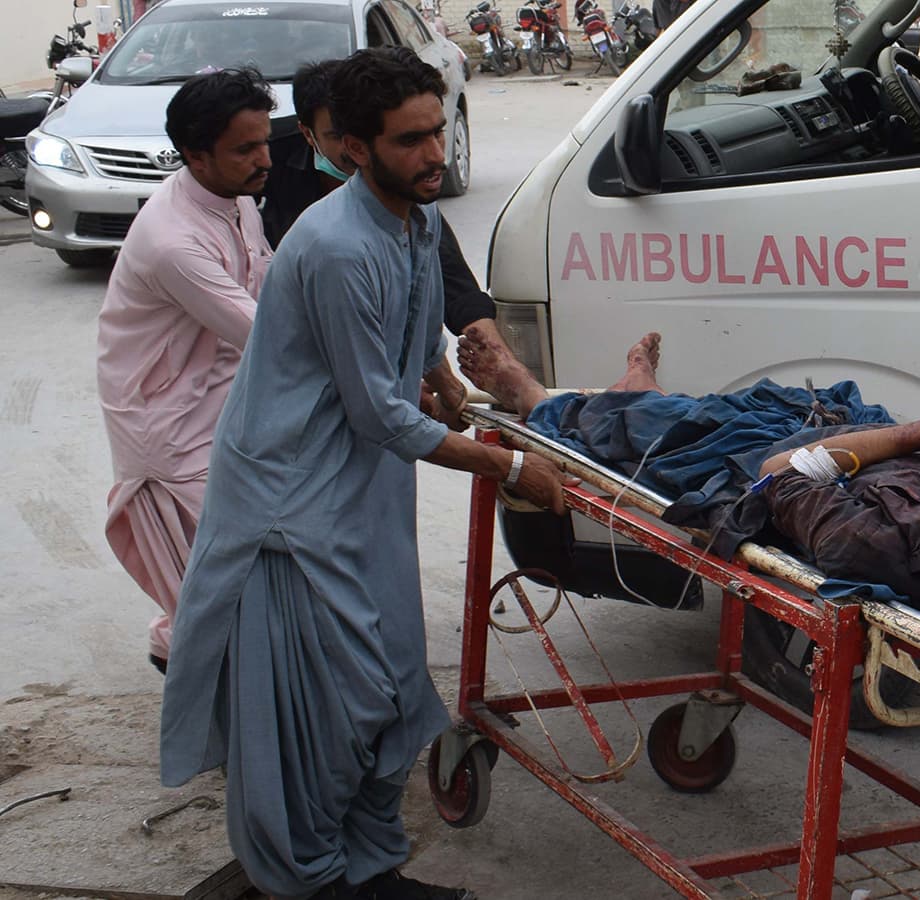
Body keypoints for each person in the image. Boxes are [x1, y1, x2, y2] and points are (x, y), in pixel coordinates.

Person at [158, 48, 571, 900]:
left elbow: (419, 330)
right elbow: (377, 413)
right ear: (351, 147)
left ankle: (368, 864)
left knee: (387, 679)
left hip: (364, 482)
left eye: (438, 133)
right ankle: (308, 878)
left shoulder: (415, 219)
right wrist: (506, 464)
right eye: (411, 140)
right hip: (290, 498)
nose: (434, 156)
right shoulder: (338, 245)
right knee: (323, 706)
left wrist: (452, 385)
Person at [458, 331, 920, 657]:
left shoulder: (869, 547)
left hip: (769, 457)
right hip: (838, 421)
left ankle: (534, 395)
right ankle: (640, 395)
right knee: (692, 412)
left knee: (660, 437)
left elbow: (779, 471)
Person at [96, 69, 275, 675]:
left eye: (264, 141)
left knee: (228, 580)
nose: (263, 159)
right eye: (245, 149)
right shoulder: (173, 240)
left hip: (220, 405)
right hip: (168, 429)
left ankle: (199, 672)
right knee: (222, 584)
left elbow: (269, 282)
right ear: (195, 155)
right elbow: (267, 332)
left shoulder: (237, 200)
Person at [259, 60, 510, 369]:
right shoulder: (271, 168)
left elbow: (451, 283)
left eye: (437, 134)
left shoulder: (412, 200)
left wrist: (499, 363)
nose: (434, 156)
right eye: (338, 137)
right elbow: (373, 402)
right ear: (308, 134)